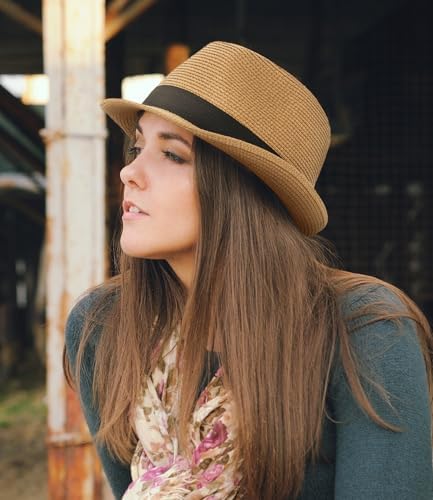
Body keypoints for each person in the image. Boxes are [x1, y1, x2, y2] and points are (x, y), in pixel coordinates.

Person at [64, 41, 433, 499]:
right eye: (137, 147)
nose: (129, 173)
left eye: (173, 155)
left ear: (244, 191)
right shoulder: (102, 325)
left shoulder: (363, 329)